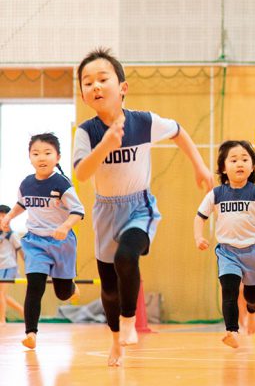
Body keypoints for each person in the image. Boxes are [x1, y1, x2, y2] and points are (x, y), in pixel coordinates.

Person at [72, 48, 213, 366]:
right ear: (83, 94)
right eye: (87, 81)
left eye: (103, 79)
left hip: (139, 207)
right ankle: (115, 342)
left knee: (127, 256)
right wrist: (106, 144)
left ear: (122, 87)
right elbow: (81, 173)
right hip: (105, 211)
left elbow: (179, 131)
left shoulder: (144, 122)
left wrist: (200, 167)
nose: (95, 86)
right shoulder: (87, 132)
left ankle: (128, 320)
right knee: (108, 287)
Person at [0, 133, 84, 349]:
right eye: (36, 153)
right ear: (30, 157)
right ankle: (31, 333)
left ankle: (71, 287)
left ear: (57, 157)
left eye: (47, 153)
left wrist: (65, 226)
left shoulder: (62, 183)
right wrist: (10, 216)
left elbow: (78, 211)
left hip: (61, 243)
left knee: (62, 293)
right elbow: (22, 203)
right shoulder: (27, 183)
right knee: (35, 286)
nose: (41, 157)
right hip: (35, 242)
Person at [194, 140, 255, 348]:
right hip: (227, 251)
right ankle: (231, 330)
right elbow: (200, 216)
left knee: (252, 296)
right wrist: (199, 237)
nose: (239, 163)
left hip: (254, 250)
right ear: (224, 167)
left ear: (252, 166)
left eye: (244, 159)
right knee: (229, 289)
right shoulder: (216, 193)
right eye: (233, 160)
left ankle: (252, 313)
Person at [0, 204, 24, 325]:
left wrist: (29, 266)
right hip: (0, 267)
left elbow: (21, 252)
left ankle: (2, 320)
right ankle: (23, 311)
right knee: (2, 295)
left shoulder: (12, 235)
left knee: (1, 294)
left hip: (9, 267)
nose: (1, 218)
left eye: (4, 215)